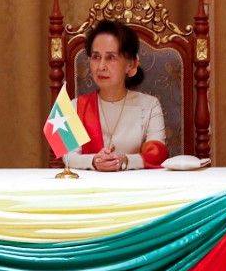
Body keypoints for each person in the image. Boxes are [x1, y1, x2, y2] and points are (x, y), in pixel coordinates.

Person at [66, 20, 165, 172]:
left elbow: (158, 154)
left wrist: (124, 161)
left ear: (130, 64)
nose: (101, 66)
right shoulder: (75, 106)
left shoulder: (150, 106)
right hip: (88, 189)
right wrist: (94, 161)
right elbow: (68, 157)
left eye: (111, 57)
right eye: (96, 57)